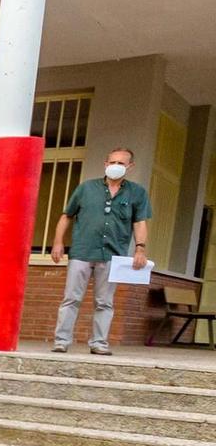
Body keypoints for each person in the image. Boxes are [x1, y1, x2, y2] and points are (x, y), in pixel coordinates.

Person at [50, 146, 152, 356]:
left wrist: (140, 249)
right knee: (71, 298)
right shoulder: (86, 188)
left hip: (112, 255)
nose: (115, 166)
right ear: (105, 164)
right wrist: (58, 242)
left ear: (130, 167)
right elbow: (66, 215)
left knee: (104, 302)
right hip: (81, 251)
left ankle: (99, 343)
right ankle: (61, 341)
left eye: (121, 163)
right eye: (112, 162)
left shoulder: (137, 193)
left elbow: (140, 222)